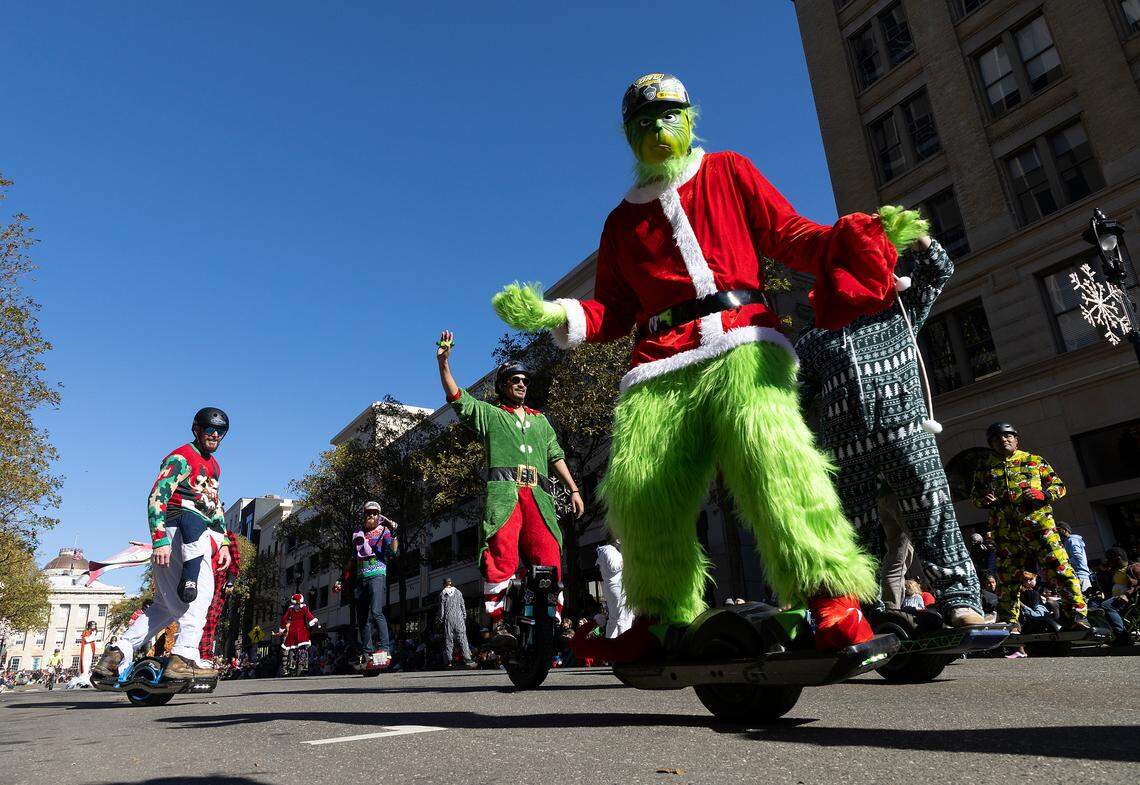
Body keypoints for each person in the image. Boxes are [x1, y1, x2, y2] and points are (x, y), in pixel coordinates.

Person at [491, 73, 925, 661]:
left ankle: (831, 602)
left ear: (690, 117)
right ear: (628, 135)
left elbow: (788, 233)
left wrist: (857, 240)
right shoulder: (621, 222)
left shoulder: (728, 170)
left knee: (777, 465)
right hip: (657, 364)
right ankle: (663, 617)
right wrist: (553, 313)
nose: (658, 130)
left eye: (668, 116)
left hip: (742, 342)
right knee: (641, 492)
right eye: (644, 123)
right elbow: (614, 310)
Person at [797, 235, 985, 627]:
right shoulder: (814, 339)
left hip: (907, 436)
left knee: (933, 514)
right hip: (846, 450)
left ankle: (960, 601)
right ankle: (858, 611)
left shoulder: (897, 309)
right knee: (852, 531)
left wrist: (921, 241)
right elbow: (797, 393)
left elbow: (938, 271)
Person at [435, 333, 584, 649]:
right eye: (514, 380)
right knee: (502, 554)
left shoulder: (541, 421)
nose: (521, 384)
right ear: (502, 385)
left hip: (540, 498)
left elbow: (556, 455)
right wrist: (443, 363)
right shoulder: (492, 415)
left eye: (524, 380)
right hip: (505, 495)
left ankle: (552, 620)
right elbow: (458, 399)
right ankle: (500, 622)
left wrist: (573, 489)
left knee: (549, 556)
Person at [93, 407, 232, 680]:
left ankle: (116, 654)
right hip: (180, 531)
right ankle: (183, 656)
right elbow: (157, 495)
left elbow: (212, 504)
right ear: (196, 429)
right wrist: (159, 540)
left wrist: (224, 541)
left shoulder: (214, 465)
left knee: (164, 606)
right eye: (209, 429)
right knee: (200, 593)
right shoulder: (182, 457)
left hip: (193, 529)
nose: (215, 435)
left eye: (221, 431)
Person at [970, 422, 1088, 634]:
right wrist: (983, 500)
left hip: (1040, 529)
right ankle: (1011, 623)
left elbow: (1059, 486)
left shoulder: (1034, 461)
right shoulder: (985, 468)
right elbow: (975, 498)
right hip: (1006, 533)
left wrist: (1045, 495)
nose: (1003, 440)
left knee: (1061, 569)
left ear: (1016, 439)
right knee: (1007, 580)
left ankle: (1078, 615)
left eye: (1008, 436)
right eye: (997, 438)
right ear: (991, 444)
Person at [333, 501, 398, 668]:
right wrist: (341, 579)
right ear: (364, 515)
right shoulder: (358, 533)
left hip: (377, 575)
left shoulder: (384, 531)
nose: (371, 515)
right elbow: (353, 559)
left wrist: (394, 533)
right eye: (368, 513)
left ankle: (385, 648)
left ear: (379, 515)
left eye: (375, 513)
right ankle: (367, 652)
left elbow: (392, 552)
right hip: (361, 578)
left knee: (376, 611)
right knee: (363, 618)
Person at [199, 531, 242, 661]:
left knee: (209, 620)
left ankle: (204, 655)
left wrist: (230, 581)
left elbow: (234, 561)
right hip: (195, 580)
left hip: (216, 583)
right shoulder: (196, 528)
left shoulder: (226, 535)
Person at [596, 534, 635, 638]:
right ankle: (624, 643)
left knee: (617, 618)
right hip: (616, 588)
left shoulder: (610, 550)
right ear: (616, 539)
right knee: (622, 617)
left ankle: (612, 643)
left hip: (616, 588)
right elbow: (613, 566)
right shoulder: (609, 550)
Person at [276, 594, 319, 674]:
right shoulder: (304, 608)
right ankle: (302, 667)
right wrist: (313, 621)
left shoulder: (290, 609)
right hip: (302, 630)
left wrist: (282, 628)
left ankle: (292, 666)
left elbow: (284, 619)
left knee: (293, 648)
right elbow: (310, 617)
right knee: (302, 649)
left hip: (293, 630)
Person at [439, 578, 477, 668]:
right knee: (463, 638)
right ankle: (467, 659)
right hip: (459, 618)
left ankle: (450, 660)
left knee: (449, 639)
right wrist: (464, 616)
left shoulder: (442, 594)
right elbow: (462, 605)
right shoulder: (458, 592)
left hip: (448, 619)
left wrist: (441, 619)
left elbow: (442, 610)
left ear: (444, 584)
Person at [1055, 522, 1092, 592]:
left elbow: (1077, 557)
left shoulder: (1072, 540)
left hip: (1080, 576)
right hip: (1077, 576)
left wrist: (1065, 564)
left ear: (1065, 530)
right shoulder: (1067, 542)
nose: (1056, 532)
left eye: (1058, 530)